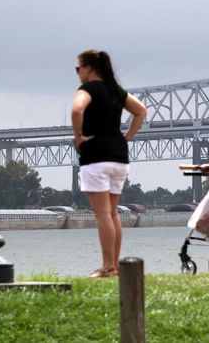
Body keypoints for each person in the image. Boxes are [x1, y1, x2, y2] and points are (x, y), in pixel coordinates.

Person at [71, 50, 146, 278]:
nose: (78, 73)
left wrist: (78, 137)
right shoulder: (115, 90)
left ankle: (107, 267)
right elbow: (141, 111)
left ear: (88, 68)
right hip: (119, 158)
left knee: (102, 214)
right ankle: (114, 266)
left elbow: (77, 109)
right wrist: (127, 136)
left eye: (78, 69)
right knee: (113, 213)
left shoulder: (87, 90)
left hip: (96, 158)